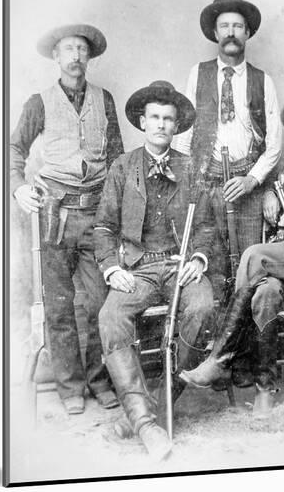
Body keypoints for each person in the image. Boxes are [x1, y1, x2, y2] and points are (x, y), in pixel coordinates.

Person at [180, 87, 284, 417]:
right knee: (265, 294)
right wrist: (272, 196)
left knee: (253, 256)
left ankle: (224, 357)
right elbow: (282, 209)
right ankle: (264, 390)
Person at [94, 81, 215, 460]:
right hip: (139, 269)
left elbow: (207, 227)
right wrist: (112, 268)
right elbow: (103, 227)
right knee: (111, 317)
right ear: (142, 122)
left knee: (202, 307)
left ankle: (154, 407)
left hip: (180, 266)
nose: (161, 124)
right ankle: (146, 424)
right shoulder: (122, 167)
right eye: (155, 118)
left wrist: (197, 259)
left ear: (176, 126)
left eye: (169, 119)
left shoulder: (191, 167)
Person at [10, 23, 124, 414]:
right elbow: (13, 149)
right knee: (59, 305)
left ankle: (99, 380)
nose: (75, 57)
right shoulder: (38, 102)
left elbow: (116, 158)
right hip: (54, 213)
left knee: (98, 302)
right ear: (56, 58)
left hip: (96, 213)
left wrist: (115, 207)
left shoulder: (103, 99)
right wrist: (18, 186)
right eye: (68, 50)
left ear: (89, 57)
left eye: (81, 50)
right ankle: (69, 387)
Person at [172, 0, 282, 292]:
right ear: (214, 33)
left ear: (247, 33)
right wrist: (184, 183)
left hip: (247, 186)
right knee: (212, 265)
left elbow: (274, 144)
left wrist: (252, 180)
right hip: (207, 184)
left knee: (249, 267)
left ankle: (246, 339)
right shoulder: (198, 74)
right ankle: (218, 339)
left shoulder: (263, 81)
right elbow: (184, 133)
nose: (230, 33)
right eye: (224, 26)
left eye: (237, 26)